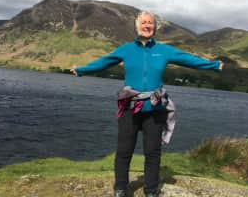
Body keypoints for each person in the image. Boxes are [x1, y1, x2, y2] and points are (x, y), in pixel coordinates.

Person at [70, 11, 224, 197]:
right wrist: (82, 70)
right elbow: (104, 61)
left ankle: (150, 190)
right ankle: (120, 188)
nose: (147, 25)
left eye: (150, 23)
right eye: (143, 22)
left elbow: (188, 59)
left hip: (155, 108)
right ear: (136, 26)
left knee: (152, 152)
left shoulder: (164, 50)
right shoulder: (126, 49)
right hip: (129, 108)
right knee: (124, 150)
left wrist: (213, 65)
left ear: (155, 27)